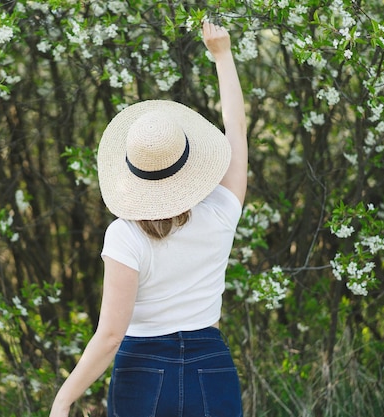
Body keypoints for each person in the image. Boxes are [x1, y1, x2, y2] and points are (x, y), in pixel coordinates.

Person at [49, 21, 247, 417]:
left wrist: (63, 398)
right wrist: (222, 56)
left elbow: (109, 337)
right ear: (190, 165)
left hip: (142, 371)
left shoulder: (125, 238)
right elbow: (236, 129)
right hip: (213, 367)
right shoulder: (222, 212)